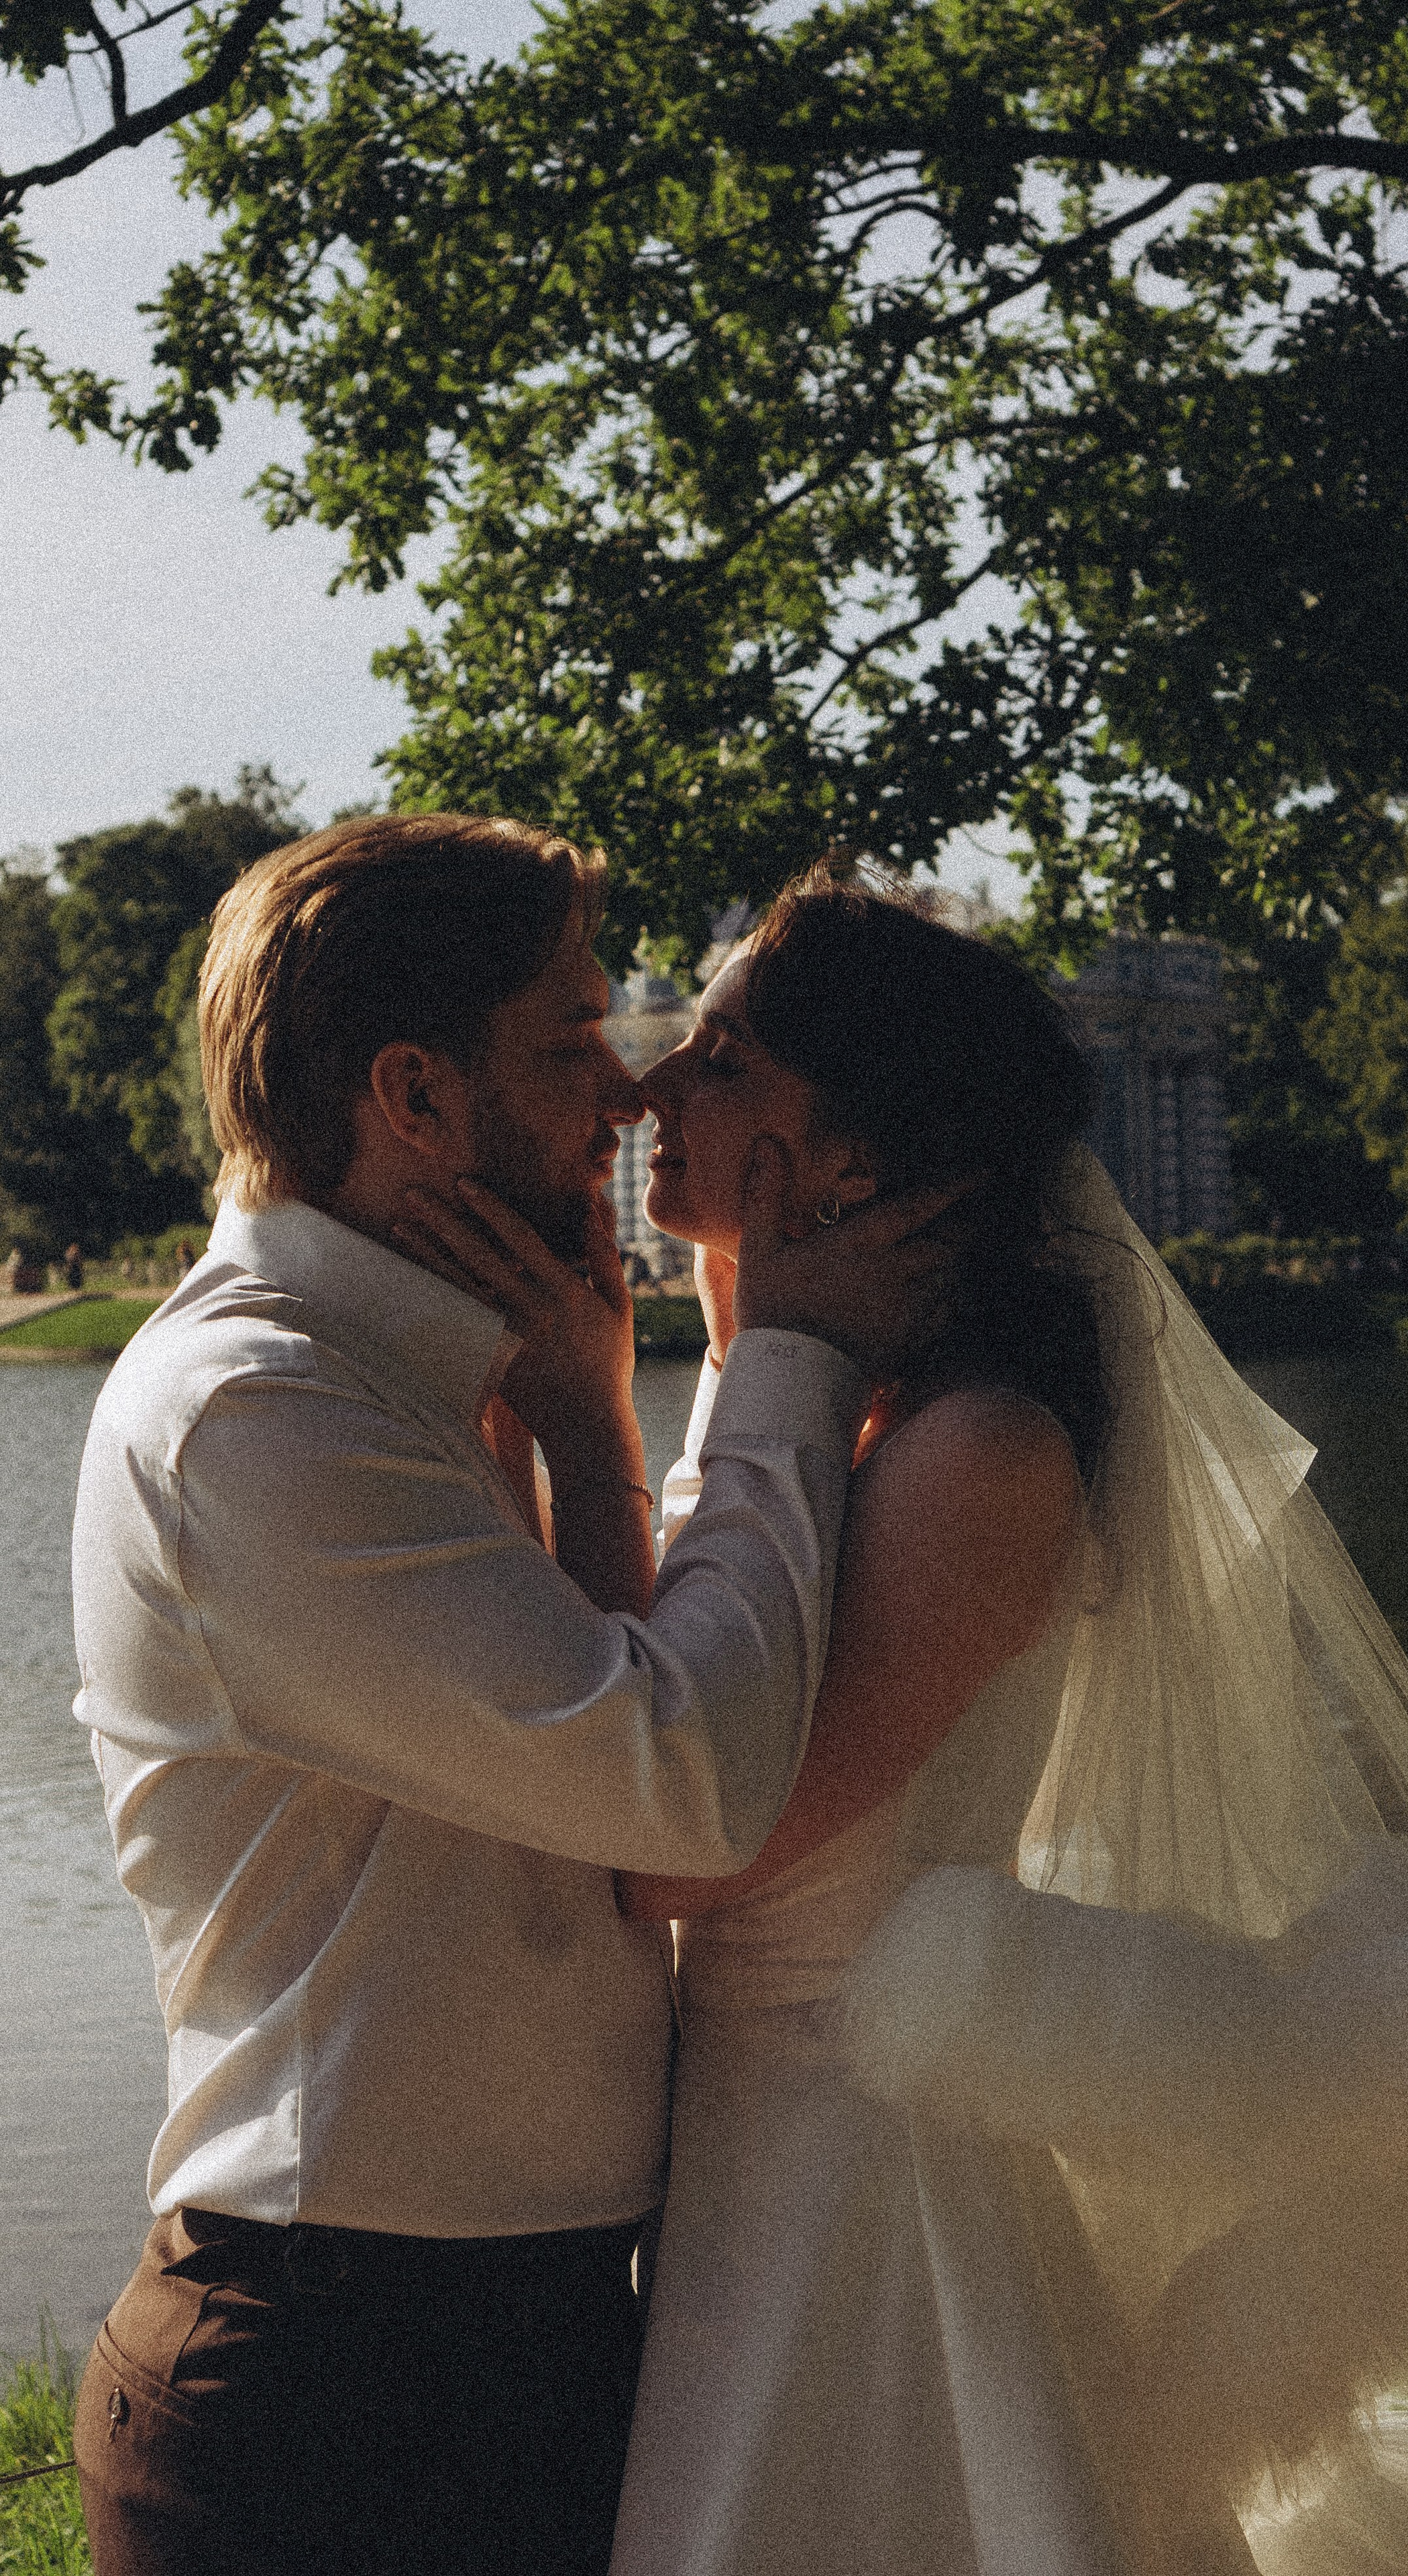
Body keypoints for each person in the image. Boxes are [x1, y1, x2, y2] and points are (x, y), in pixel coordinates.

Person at [407, 868, 1408, 2576]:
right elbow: (658, 1704)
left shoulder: (974, 1453)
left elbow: (683, 1855)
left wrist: (619, 1431)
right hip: (751, 2140)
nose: (650, 1088)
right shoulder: (813, 1400)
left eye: (721, 1062)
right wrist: (643, 1398)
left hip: (860, 2172)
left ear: (858, 1155)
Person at [68, 814, 955, 2576]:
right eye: (571, 1044)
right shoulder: (261, 1418)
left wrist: (587, 1428)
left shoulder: (436, 1373)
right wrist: (779, 1345)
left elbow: (615, 1771)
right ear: (415, 1096)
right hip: (336, 2401)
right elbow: (683, 1780)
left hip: (508, 2345)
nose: (630, 1100)